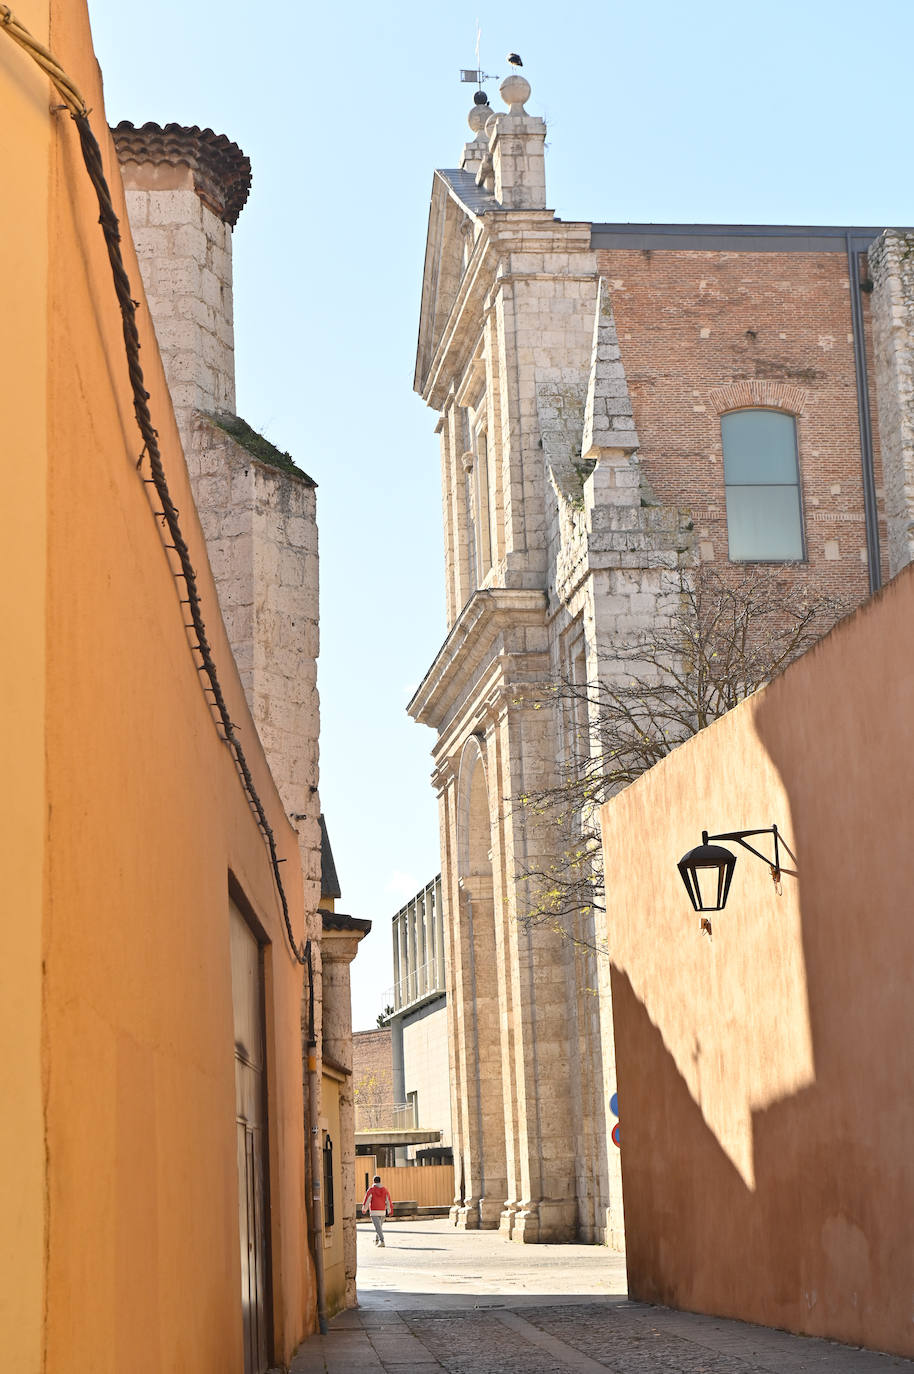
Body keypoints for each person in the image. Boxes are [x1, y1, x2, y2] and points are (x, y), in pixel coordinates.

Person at [362, 1174, 392, 1246]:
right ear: (380, 1181)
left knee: (378, 1227)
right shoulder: (385, 1190)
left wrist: (364, 1209)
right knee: (379, 1227)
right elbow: (388, 1200)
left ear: (373, 1181)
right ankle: (377, 1239)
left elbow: (367, 1200)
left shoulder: (371, 1190)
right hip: (382, 1211)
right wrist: (389, 1210)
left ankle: (382, 1241)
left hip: (374, 1211)